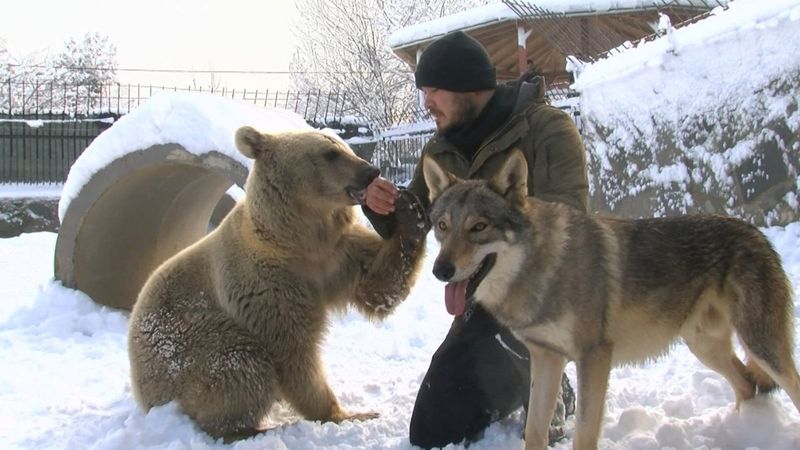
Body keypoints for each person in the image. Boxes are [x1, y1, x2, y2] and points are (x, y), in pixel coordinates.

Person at [363, 31, 588, 448]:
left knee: (509, 334)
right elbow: (416, 219)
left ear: (467, 86)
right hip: (480, 303)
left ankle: (549, 382)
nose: (426, 102)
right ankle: (512, 383)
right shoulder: (440, 147)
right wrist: (382, 206)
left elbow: (570, 222)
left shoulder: (546, 129)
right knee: (433, 426)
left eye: (433, 90)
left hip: (543, 295)